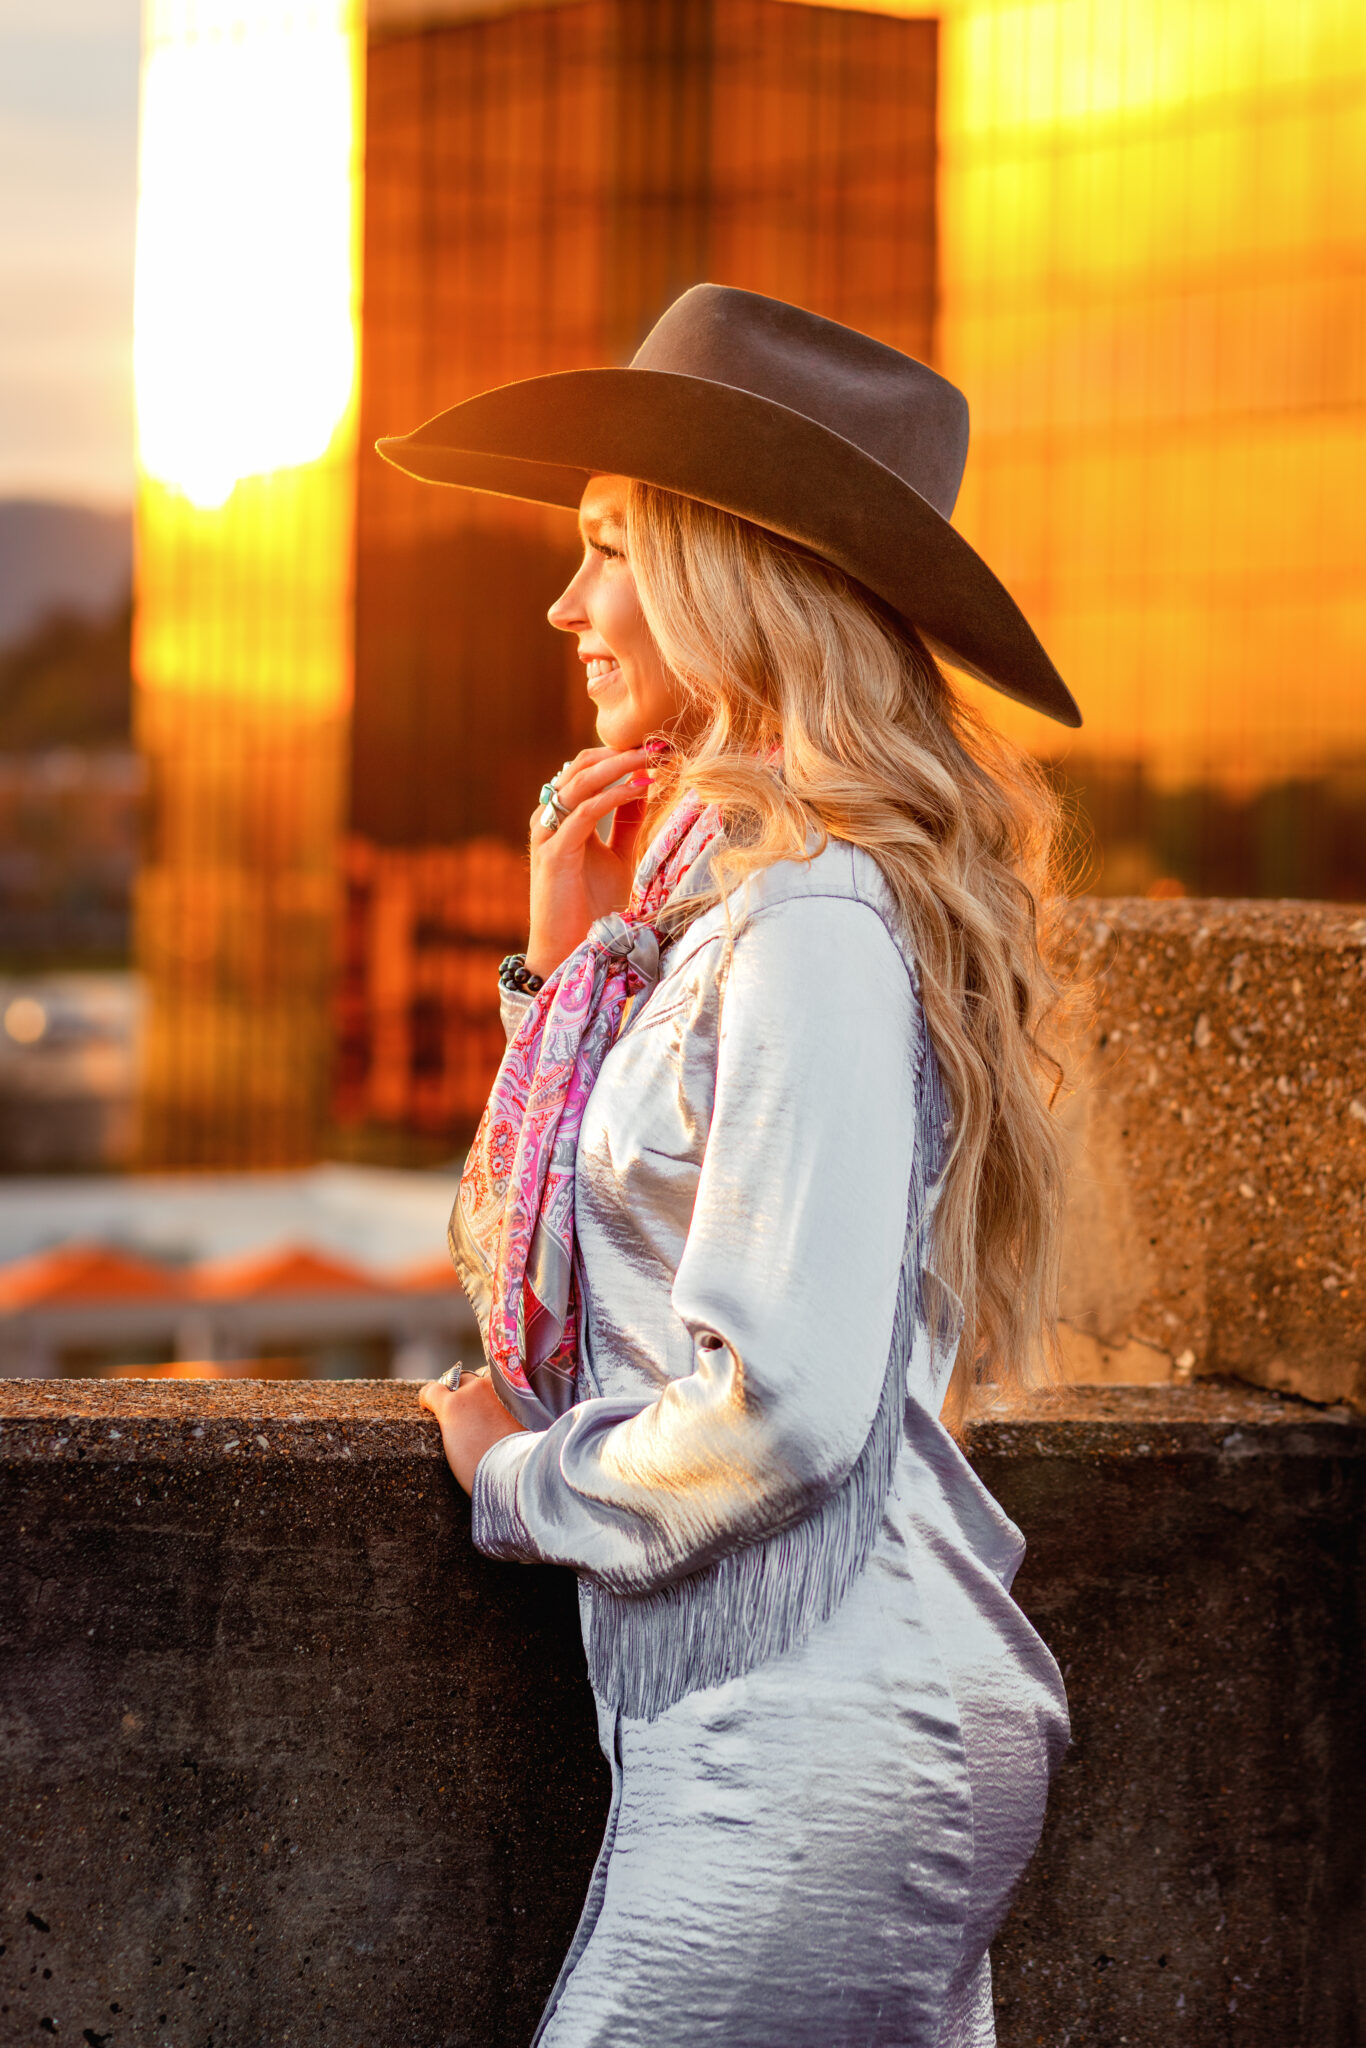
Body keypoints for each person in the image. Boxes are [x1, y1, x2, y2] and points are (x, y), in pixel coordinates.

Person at [386, 286, 1078, 2048]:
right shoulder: (713, 915)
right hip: (776, 1717)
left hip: (822, 1742)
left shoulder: (813, 918)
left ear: (725, 566)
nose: (565, 603)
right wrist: (565, 959)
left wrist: (520, 1488)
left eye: (607, 546)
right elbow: (526, 1283)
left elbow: (781, 1409)